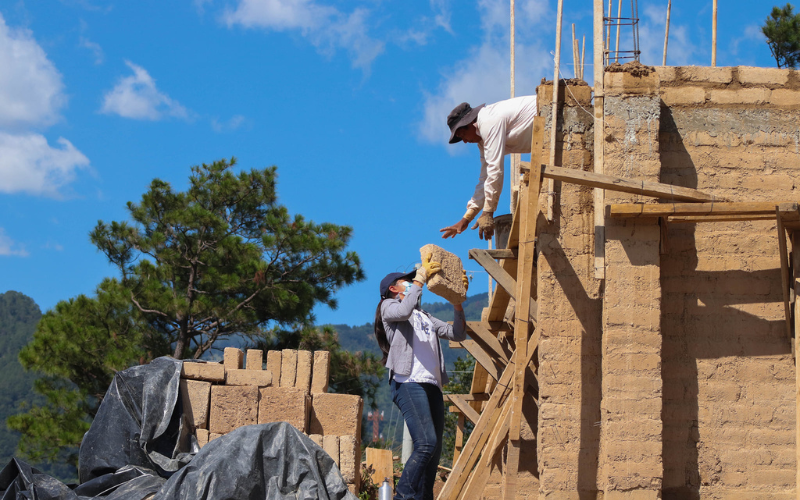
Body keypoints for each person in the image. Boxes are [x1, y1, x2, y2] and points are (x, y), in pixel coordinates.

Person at [373, 254, 468, 500]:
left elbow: (457, 333)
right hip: (408, 383)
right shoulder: (389, 307)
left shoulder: (424, 316)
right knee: (425, 443)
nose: (411, 282)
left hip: (431, 385)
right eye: (406, 281)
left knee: (432, 451)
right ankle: (403, 496)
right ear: (393, 289)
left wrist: (457, 303)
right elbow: (404, 310)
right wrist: (420, 279)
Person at [439, 95, 538, 241]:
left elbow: (495, 170)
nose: (465, 141)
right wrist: (466, 218)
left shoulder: (488, 122)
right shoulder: (482, 140)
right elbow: (484, 179)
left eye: (463, 135)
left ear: (470, 123)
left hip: (554, 112)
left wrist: (488, 212)